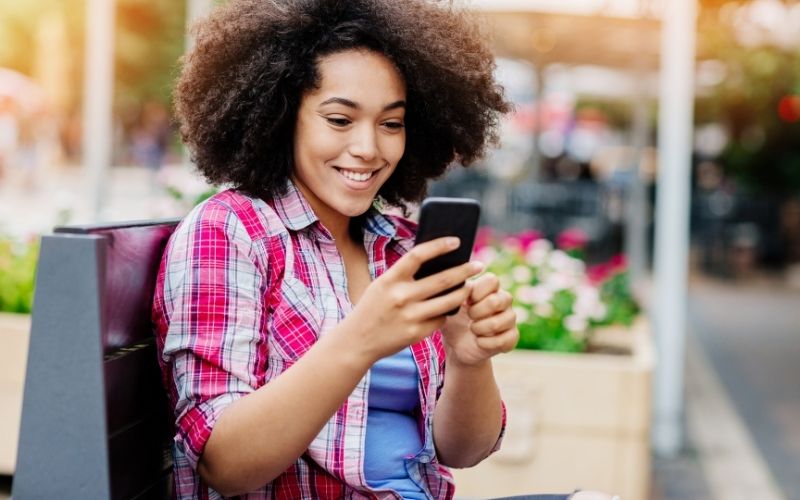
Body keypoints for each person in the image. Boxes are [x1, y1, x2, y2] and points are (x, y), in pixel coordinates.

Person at [153, 1, 616, 499]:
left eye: (391, 124)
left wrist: (468, 360)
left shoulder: (398, 245)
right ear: (280, 115)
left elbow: (463, 451)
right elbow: (224, 464)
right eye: (339, 119)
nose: (369, 148)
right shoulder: (229, 232)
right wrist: (361, 339)